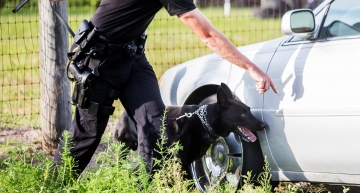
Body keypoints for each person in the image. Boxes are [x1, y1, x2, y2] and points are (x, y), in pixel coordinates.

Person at [53, 0, 278, 176]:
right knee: (86, 134)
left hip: (133, 57)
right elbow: (208, 35)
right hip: (99, 60)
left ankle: (145, 189)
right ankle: (54, 187)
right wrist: (251, 67)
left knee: (154, 125)